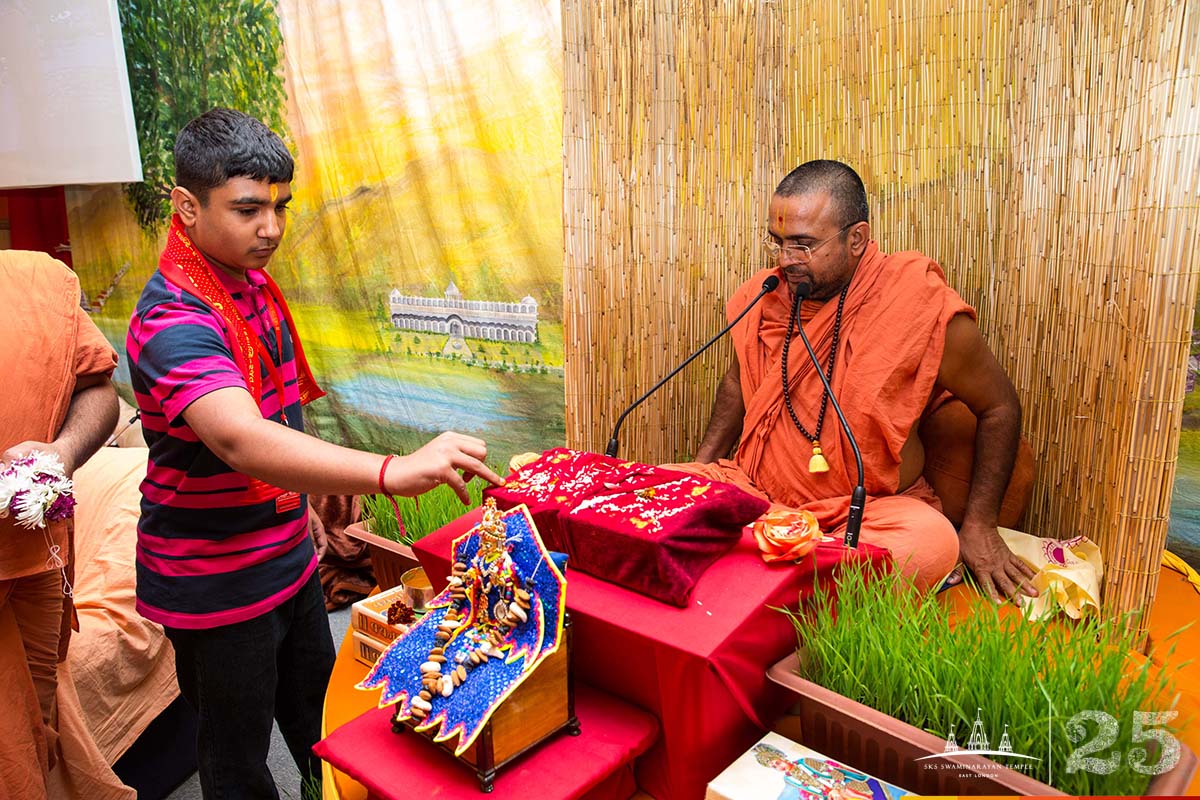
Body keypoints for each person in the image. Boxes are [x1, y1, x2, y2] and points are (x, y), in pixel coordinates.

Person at [126, 108, 505, 799]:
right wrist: (391, 472)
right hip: (217, 583)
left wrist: (299, 512)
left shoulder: (249, 285)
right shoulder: (172, 319)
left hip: (285, 558)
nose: (270, 228)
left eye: (279, 208)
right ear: (186, 207)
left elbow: (278, 412)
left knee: (321, 723)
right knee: (238, 758)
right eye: (247, 209)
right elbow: (241, 437)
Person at [691, 160, 1037, 601]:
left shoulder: (915, 302)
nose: (785, 260)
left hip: (867, 515)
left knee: (930, 541)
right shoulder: (766, 295)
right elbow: (738, 384)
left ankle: (757, 580)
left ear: (856, 238)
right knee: (658, 495)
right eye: (777, 243)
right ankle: (792, 582)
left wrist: (979, 526)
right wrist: (699, 476)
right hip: (756, 495)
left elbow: (1000, 406)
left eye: (803, 245)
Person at [1, 250, 131, 799]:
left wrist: (62, 452)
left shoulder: (38, 279)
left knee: (37, 724)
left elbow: (97, 389)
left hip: (36, 558)